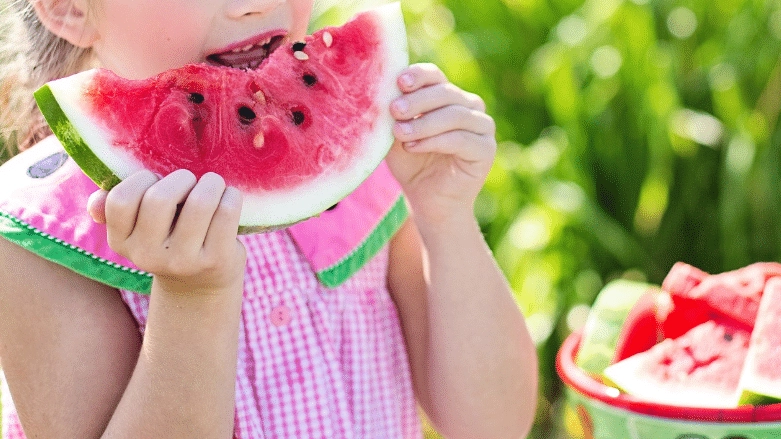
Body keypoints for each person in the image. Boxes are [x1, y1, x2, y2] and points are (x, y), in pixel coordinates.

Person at [0, 0, 538, 438]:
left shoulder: (360, 165)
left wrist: (447, 217)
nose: (256, 5)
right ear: (67, 7)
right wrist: (192, 299)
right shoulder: (42, 233)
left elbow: (494, 423)